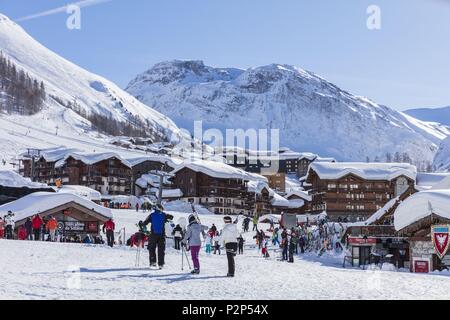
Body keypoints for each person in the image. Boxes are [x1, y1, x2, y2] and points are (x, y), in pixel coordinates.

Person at [142, 204, 173, 269]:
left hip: (153, 235)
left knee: (152, 248)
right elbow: (171, 217)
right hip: (161, 235)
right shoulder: (164, 215)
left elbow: (145, 223)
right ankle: (161, 264)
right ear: (160, 208)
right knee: (161, 250)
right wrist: (166, 218)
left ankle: (153, 262)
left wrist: (142, 224)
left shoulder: (151, 215)